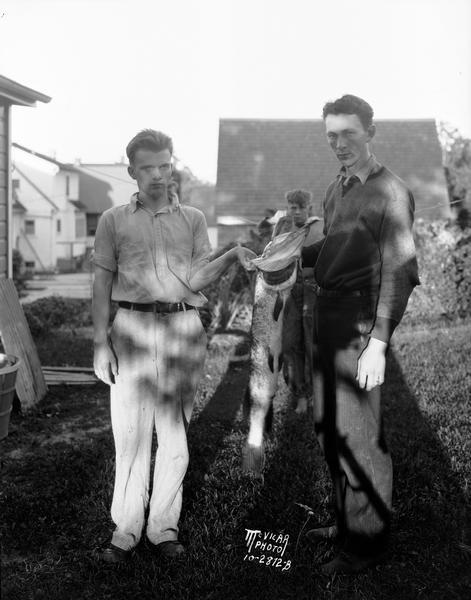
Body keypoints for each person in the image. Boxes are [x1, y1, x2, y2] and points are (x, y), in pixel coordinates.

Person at [92, 129, 255, 563]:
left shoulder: (194, 219)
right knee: (129, 432)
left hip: (182, 328)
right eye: (148, 167)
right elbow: (101, 281)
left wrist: (233, 253)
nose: (159, 174)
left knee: (174, 431)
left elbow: (199, 277)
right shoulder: (113, 220)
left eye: (165, 164)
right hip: (131, 328)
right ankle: (125, 530)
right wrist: (99, 342)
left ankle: (163, 526)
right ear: (132, 171)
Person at [302, 95, 419, 574]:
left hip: (358, 324)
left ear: (371, 131)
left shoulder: (391, 191)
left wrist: (377, 344)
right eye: (331, 135)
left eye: (348, 133)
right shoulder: (336, 189)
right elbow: (334, 247)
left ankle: (366, 545)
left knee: (359, 436)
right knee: (330, 430)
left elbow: (401, 271)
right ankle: (346, 522)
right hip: (324, 316)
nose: (339, 143)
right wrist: (288, 254)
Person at [274, 190, 322, 414]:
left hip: (314, 289)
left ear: (308, 208)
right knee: (291, 343)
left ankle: (317, 392)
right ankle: (300, 393)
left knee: (314, 343)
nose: (294, 211)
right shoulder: (284, 227)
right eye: (291, 207)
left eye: (299, 207)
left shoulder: (319, 227)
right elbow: (272, 255)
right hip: (290, 291)